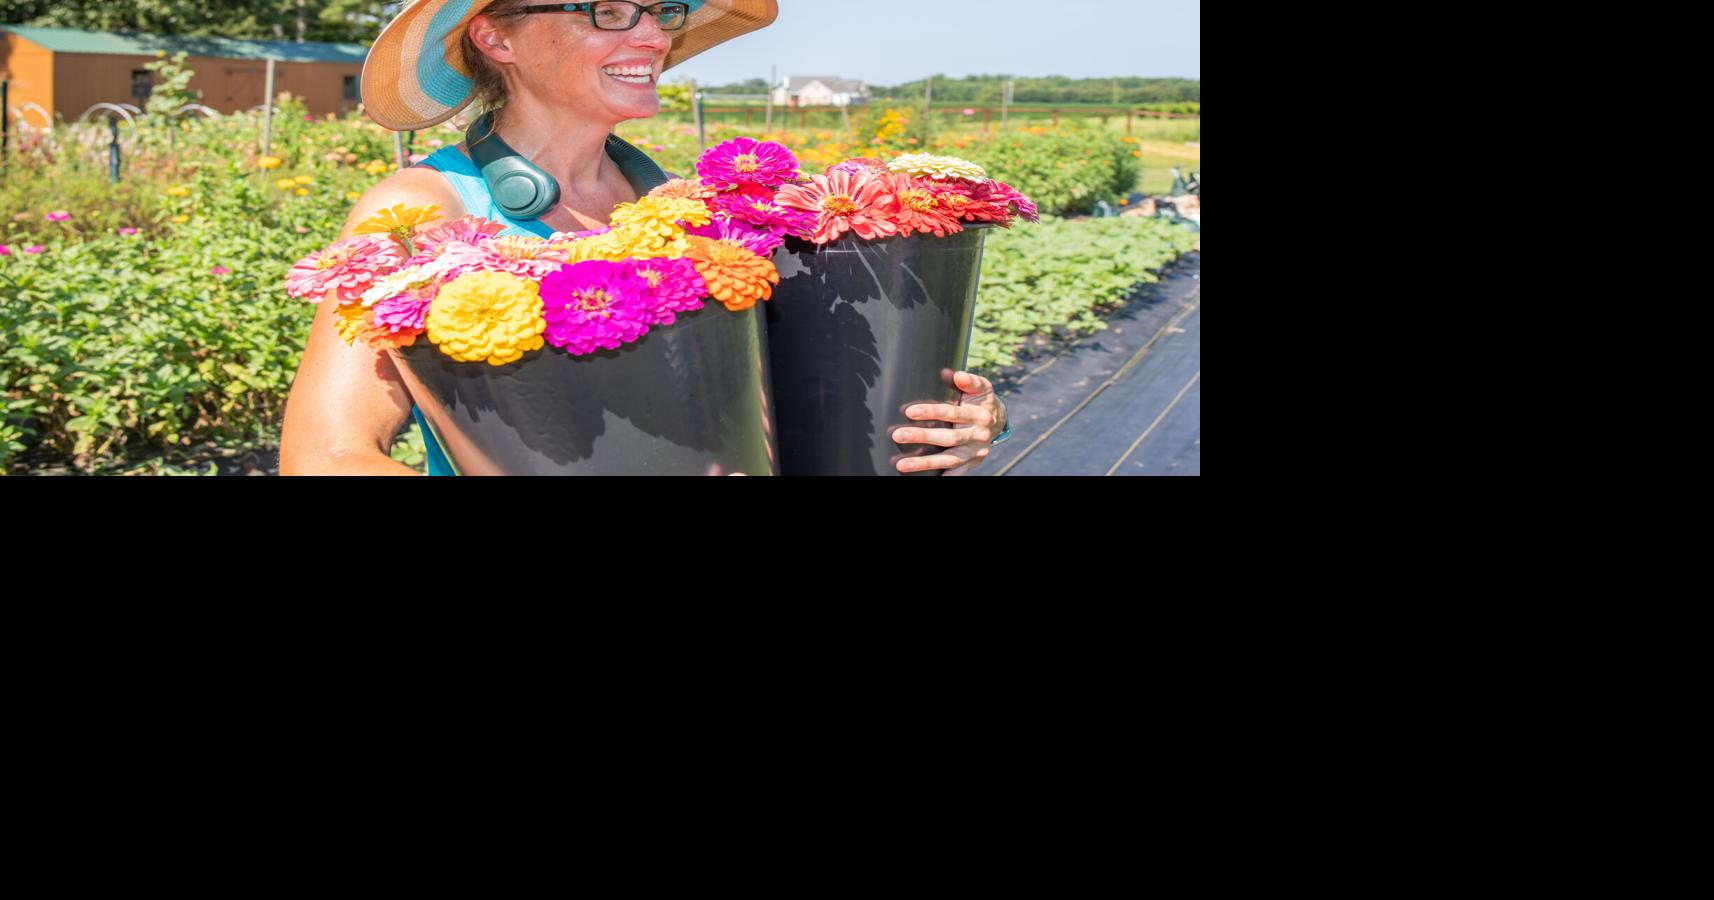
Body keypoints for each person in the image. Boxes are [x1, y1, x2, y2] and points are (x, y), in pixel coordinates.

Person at [279, 0, 1008, 476]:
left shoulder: (686, 213)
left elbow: (771, 404)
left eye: (658, 10)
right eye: (611, 10)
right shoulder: (419, 208)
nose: (656, 37)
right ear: (496, 34)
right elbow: (326, 455)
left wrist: (948, 422)